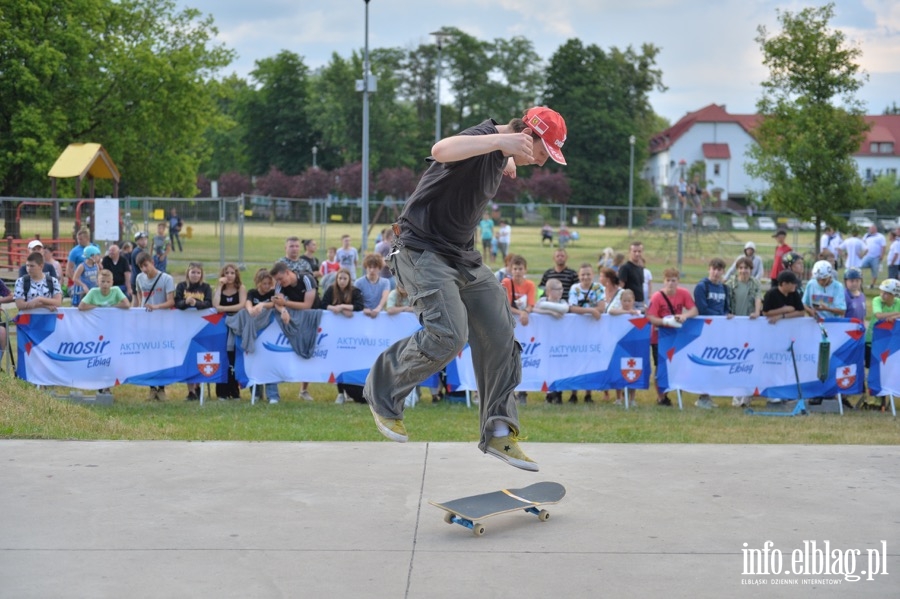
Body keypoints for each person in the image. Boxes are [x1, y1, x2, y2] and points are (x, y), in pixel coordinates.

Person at [364, 105, 568, 472]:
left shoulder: (500, 150)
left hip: (462, 257)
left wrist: (506, 155)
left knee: (501, 330)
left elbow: (495, 156)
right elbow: (442, 149)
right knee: (448, 334)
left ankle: (499, 431)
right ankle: (383, 392)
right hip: (419, 250)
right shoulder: (484, 137)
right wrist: (502, 141)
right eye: (543, 152)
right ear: (528, 135)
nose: (542, 162)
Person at [645, 268, 698, 406]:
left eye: (673, 280)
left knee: (676, 365)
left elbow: (694, 310)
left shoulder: (683, 293)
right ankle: (661, 397)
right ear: (664, 281)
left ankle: (676, 393)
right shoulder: (657, 297)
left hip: (675, 336)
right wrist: (664, 321)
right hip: (659, 337)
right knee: (660, 367)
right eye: (668, 280)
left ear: (678, 281)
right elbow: (650, 317)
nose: (670, 284)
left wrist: (684, 316)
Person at [270, 261, 319, 401]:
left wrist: (285, 304)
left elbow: (307, 305)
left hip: (313, 317)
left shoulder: (307, 279)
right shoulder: (279, 285)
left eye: (280, 278)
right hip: (294, 319)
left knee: (311, 352)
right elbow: (276, 302)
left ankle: (304, 389)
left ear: (288, 272)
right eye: (277, 280)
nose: (279, 282)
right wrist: (283, 310)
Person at [134, 251, 176, 401]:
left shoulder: (166, 279)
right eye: (141, 267)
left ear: (152, 262)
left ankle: (162, 388)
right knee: (149, 355)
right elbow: (139, 296)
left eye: (146, 265)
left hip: (162, 323)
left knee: (162, 355)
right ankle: (152, 388)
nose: (144, 269)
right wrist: (138, 310)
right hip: (146, 323)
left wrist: (156, 307)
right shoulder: (139, 278)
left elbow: (171, 301)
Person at [322, 269, 365, 404]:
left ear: (349, 280)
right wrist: (333, 308)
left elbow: (359, 306)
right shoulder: (331, 290)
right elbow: (322, 304)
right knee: (338, 362)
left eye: (345, 279)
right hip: (336, 333)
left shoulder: (355, 291)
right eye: (340, 278)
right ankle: (340, 393)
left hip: (351, 334)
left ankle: (351, 391)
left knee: (350, 362)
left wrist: (342, 307)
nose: (342, 281)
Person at [693, 258, 731, 409]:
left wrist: (727, 315)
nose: (716, 272)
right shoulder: (702, 287)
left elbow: (726, 307)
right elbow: (702, 309)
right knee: (704, 362)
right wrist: (720, 316)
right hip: (704, 331)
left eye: (719, 270)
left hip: (718, 331)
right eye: (713, 269)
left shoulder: (724, 288)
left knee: (714, 363)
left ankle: (708, 395)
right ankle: (702, 396)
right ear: (709, 269)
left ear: (723, 272)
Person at [725, 257, 762, 407]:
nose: (743, 271)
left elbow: (758, 298)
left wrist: (757, 312)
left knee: (749, 360)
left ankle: (747, 395)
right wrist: (728, 313)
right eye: (740, 268)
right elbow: (726, 301)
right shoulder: (730, 283)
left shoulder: (755, 283)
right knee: (736, 361)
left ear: (751, 269)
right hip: (734, 327)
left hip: (750, 327)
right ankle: (736, 394)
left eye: (746, 268)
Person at [175, 262, 213, 401]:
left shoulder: (206, 287)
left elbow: (209, 303)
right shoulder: (181, 286)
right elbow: (176, 303)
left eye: (198, 272)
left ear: (201, 274)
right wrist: (186, 302)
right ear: (188, 273)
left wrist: (196, 303)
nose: (195, 275)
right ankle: (190, 390)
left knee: (200, 356)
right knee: (188, 357)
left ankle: (198, 386)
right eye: (193, 272)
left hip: (201, 327)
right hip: (184, 327)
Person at [861, 278, 900, 409]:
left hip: (888, 343)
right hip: (871, 340)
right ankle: (869, 396)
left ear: (894, 295)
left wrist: (893, 316)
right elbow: (878, 315)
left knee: (885, 370)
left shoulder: (898, 302)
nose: (882, 295)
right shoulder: (877, 300)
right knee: (870, 368)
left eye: (886, 293)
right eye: (882, 291)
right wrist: (897, 314)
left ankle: (881, 401)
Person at [245, 269, 281, 404]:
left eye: (268, 283)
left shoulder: (273, 293)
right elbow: (248, 302)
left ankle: (273, 394)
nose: (266, 286)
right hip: (254, 332)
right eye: (263, 283)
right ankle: (256, 393)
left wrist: (261, 304)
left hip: (269, 332)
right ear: (257, 283)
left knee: (269, 363)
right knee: (254, 363)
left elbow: (274, 303)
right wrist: (250, 309)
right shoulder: (252, 293)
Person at [213, 263, 247, 401]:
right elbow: (215, 305)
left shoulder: (241, 288)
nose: (229, 276)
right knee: (222, 356)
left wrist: (224, 308)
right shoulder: (219, 289)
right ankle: (222, 392)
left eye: (232, 273)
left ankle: (234, 391)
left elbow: (241, 305)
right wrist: (220, 287)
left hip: (236, 325)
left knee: (233, 357)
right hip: (221, 326)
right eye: (226, 273)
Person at [66, 227, 98, 306]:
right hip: (80, 281)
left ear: (87, 238)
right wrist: (77, 282)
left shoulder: (95, 248)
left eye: (81, 239)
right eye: (78, 239)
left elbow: (98, 263)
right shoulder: (75, 251)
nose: (78, 241)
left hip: (92, 280)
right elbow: (69, 269)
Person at [501, 254, 536, 326]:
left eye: (520, 269)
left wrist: (525, 312)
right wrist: (521, 313)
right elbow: (507, 306)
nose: (517, 272)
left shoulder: (530, 285)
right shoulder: (506, 282)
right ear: (511, 270)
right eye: (515, 269)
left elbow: (530, 305)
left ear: (525, 270)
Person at [355, 253, 391, 318]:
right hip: (362, 314)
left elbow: (385, 296)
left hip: (379, 314)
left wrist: (378, 308)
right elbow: (356, 299)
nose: (372, 270)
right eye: (370, 267)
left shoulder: (385, 282)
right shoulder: (358, 282)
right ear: (366, 267)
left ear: (379, 268)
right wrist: (363, 308)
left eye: (374, 268)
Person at [618, 241, 646, 309]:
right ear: (630, 252)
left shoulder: (640, 267)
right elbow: (620, 286)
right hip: (630, 304)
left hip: (640, 302)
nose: (637, 254)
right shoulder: (625, 267)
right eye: (634, 251)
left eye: (639, 251)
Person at [861, 224, 886, 289]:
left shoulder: (880, 236)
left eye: (871, 228)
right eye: (869, 229)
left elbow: (883, 247)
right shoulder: (866, 235)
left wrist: (882, 255)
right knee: (860, 266)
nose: (869, 230)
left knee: (875, 271)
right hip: (867, 256)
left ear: (875, 229)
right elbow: (862, 243)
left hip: (876, 257)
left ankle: (872, 285)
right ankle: (860, 282)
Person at [130, 231, 150, 298]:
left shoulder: (140, 251)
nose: (144, 241)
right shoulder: (138, 252)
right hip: (138, 280)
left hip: (135, 279)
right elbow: (143, 267)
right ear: (137, 241)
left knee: (136, 299)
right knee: (139, 300)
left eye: (145, 239)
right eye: (141, 240)